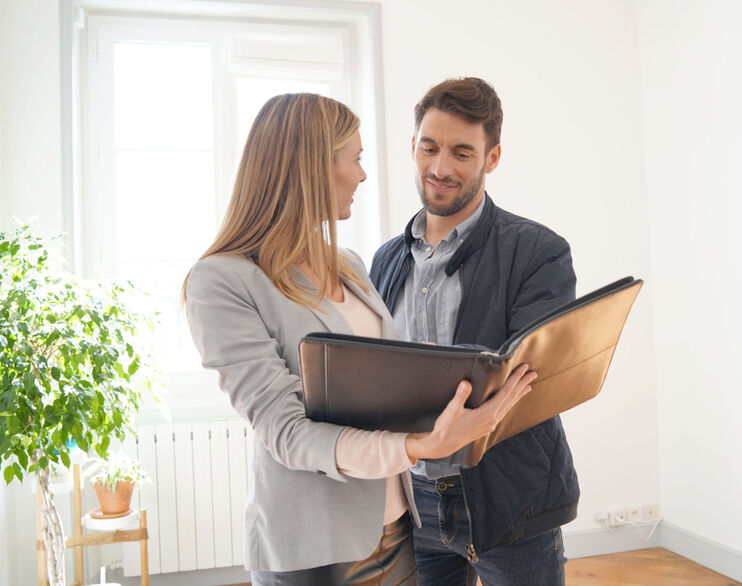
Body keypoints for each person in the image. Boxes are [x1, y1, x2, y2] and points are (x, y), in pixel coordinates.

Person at [182, 93, 537, 586]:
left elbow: (373, 382)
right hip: (317, 549)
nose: (364, 175)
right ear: (312, 169)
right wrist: (421, 445)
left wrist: (437, 378)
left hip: (395, 526)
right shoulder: (222, 280)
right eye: (356, 159)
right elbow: (287, 434)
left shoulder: (346, 263)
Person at [370, 77, 580, 586]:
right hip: (414, 503)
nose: (441, 168)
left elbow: (530, 379)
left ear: (493, 158)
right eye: (430, 148)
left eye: (462, 153)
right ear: (413, 146)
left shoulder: (539, 251)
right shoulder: (385, 260)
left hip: (511, 500)